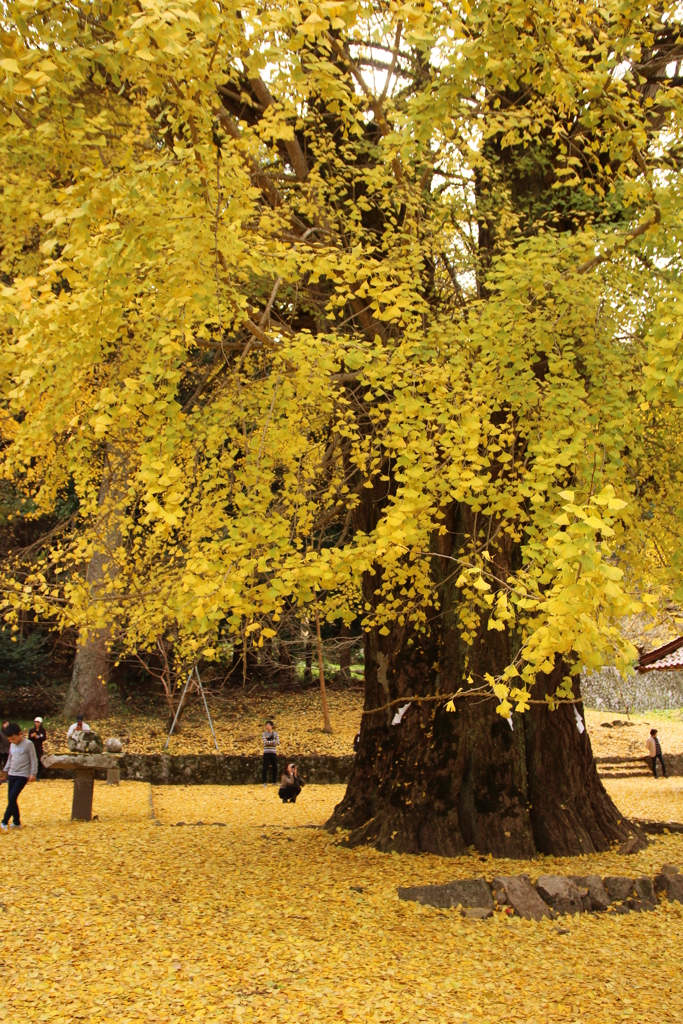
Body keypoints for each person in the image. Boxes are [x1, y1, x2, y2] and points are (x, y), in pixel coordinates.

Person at [0, 723, 37, 830]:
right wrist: (5, 771)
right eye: (10, 740)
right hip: (12, 774)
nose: (12, 741)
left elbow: (33, 759)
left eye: (14, 738)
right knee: (11, 799)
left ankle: (4, 822)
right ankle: (16, 822)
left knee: (12, 797)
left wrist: (33, 773)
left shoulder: (28, 744)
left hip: (22, 775)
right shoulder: (12, 745)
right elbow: (10, 759)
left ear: (20, 734)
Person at [262, 720, 279, 786]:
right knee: (265, 767)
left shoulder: (275, 734)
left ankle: (274, 781)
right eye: (266, 725)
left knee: (275, 767)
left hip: (273, 752)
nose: (267, 726)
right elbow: (265, 743)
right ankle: (264, 782)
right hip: (266, 752)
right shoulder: (264, 734)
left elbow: (278, 742)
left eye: (268, 725)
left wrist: (269, 741)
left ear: (271, 726)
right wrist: (272, 742)